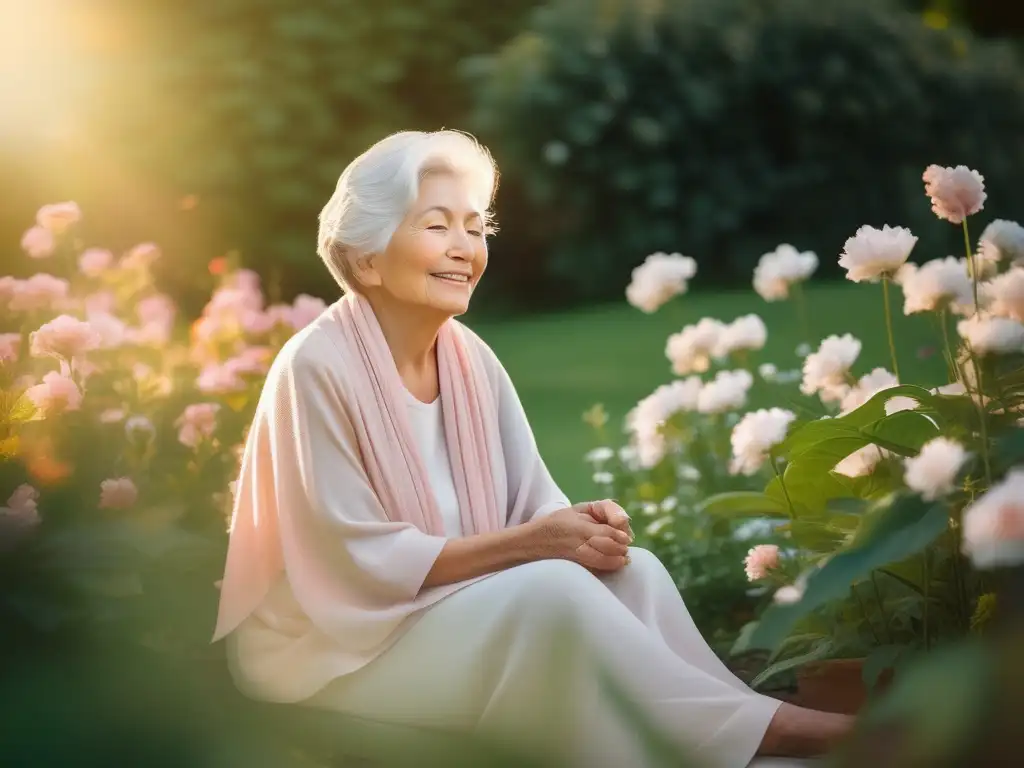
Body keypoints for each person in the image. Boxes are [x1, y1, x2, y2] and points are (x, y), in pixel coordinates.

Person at [212, 130, 852, 767]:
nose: (465, 248)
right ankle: (790, 731)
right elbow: (351, 560)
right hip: (337, 649)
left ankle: (741, 744)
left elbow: (534, 512)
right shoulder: (315, 365)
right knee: (554, 595)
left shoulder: (472, 362)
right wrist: (537, 544)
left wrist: (584, 531)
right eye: (437, 226)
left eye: (474, 227)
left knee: (634, 575)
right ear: (365, 259)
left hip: (448, 612)